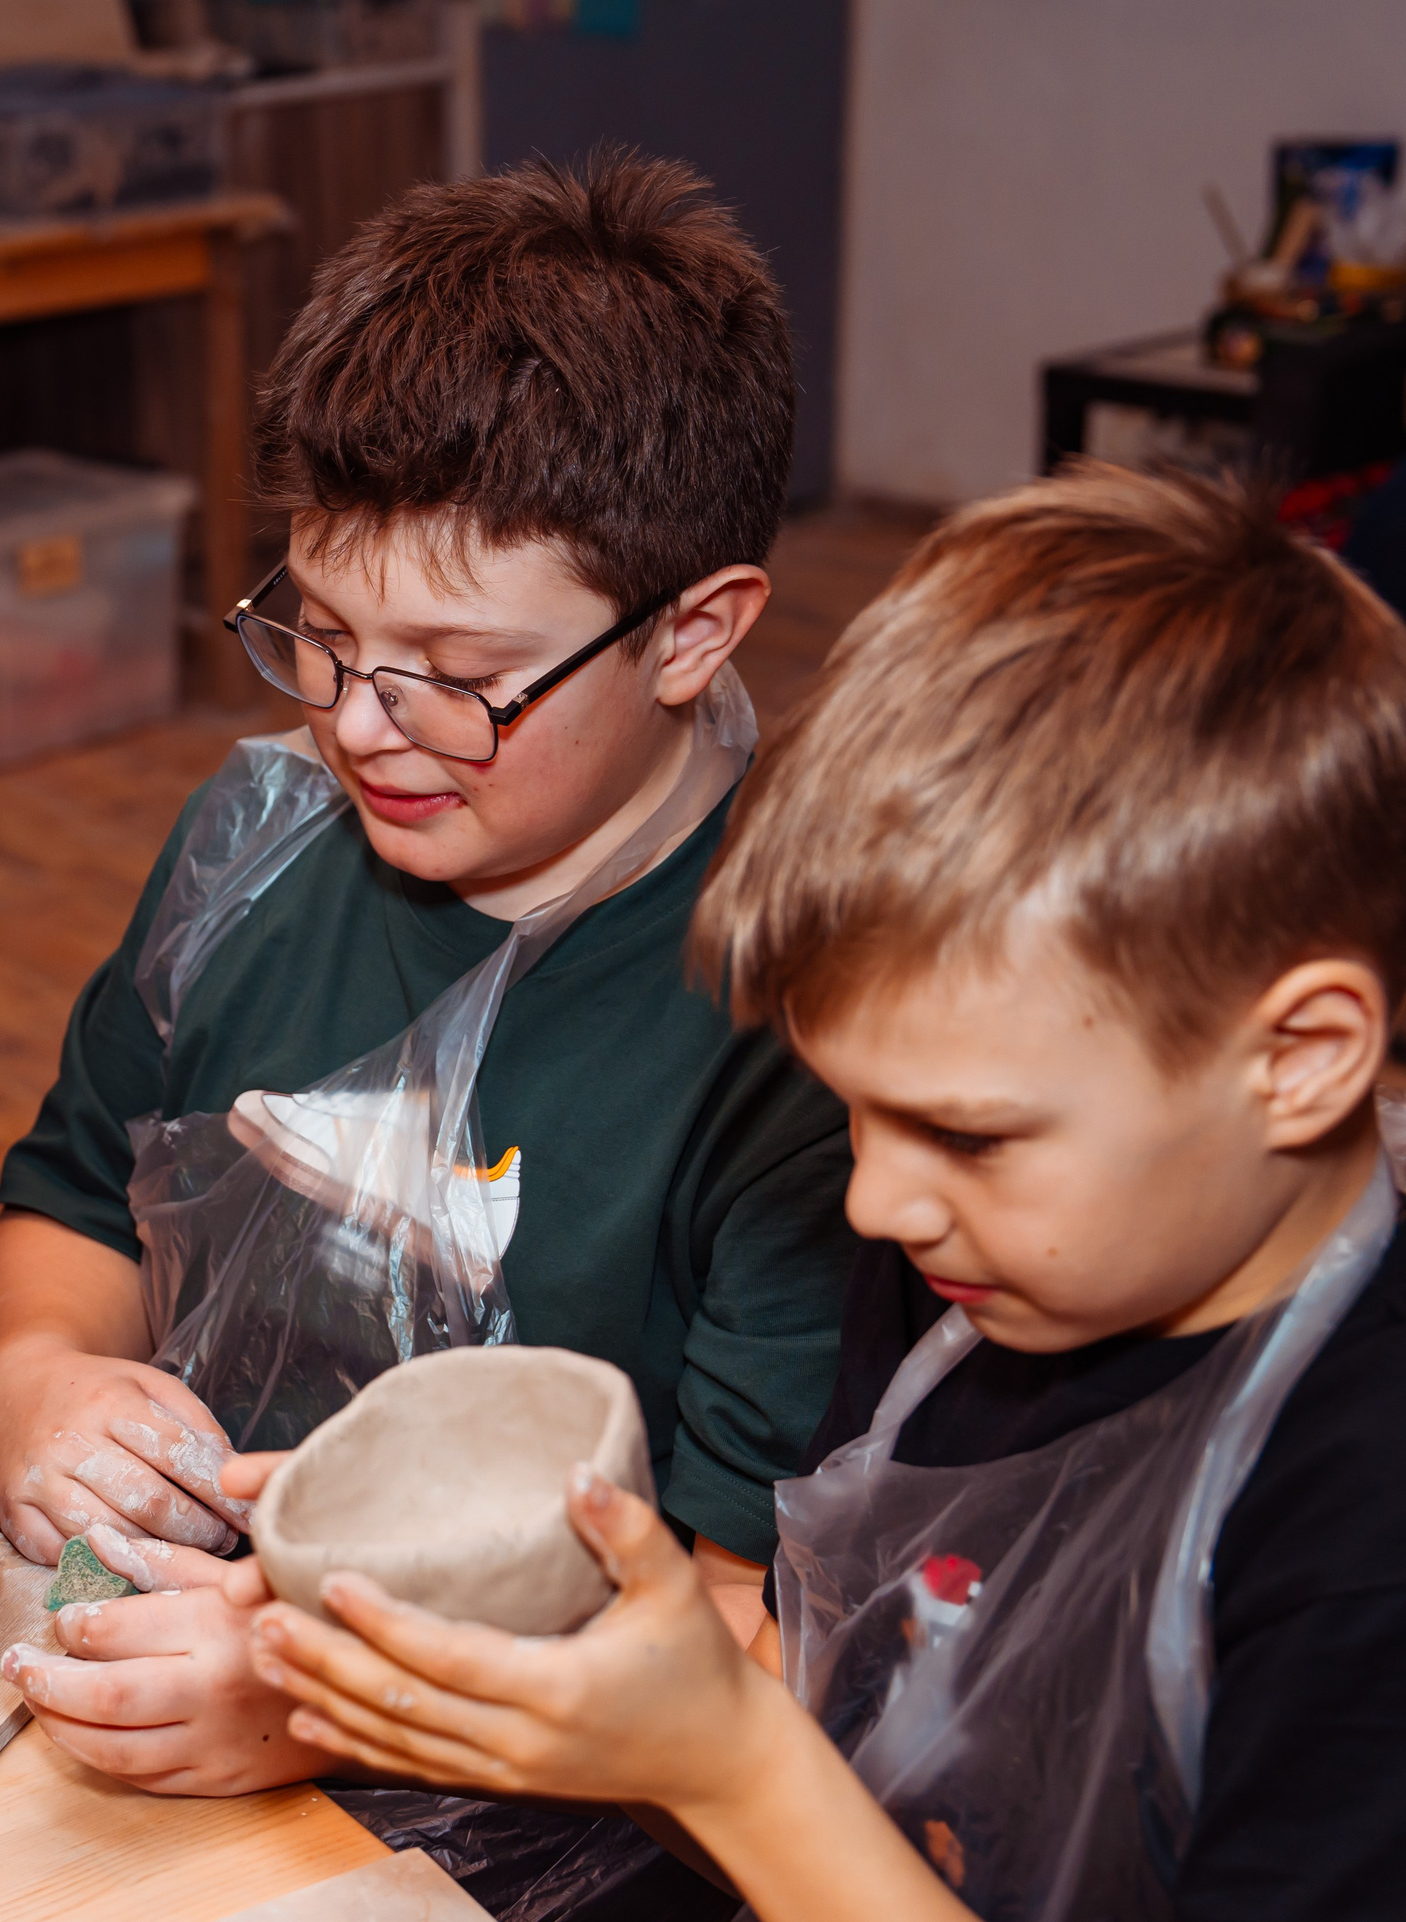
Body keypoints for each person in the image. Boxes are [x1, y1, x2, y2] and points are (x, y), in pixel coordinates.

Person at [243, 463, 1406, 1921]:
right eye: (852, 1107)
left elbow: (791, 1777)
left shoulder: (1358, 1535)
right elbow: (859, 1678)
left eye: (965, 1134)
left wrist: (733, 1767)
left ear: (1300, 1058)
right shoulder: (988, 1262)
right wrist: (480, 1587)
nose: (874, 1204)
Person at [0, 150, 858, 1886]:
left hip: (552, 1825)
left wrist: (322, 1697)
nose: (362, 725)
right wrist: (38, 1385)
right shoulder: (261, 844)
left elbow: (744, 1625)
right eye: (317, 626)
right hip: (186, 1700)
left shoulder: (797, 1018)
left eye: (454, 675)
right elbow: (69, 1203)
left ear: (694, 633)